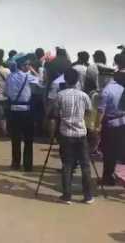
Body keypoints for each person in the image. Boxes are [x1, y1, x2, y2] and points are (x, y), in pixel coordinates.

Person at [55, 68, 94, 205]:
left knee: (67, 165)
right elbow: (89, 112)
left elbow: (54, 113)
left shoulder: (60, 95)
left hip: (66, 133)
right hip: (81, 133)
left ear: (65, 80)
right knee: (85, 165)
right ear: (77, 80)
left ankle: (67, 196)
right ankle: (88, 196)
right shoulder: (84, 96)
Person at [97, 52, 125, 186]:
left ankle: (108, 177)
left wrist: (97, 126)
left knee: (108, 153)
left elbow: (101, 111)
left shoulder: (106, 90)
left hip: (110, 124)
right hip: (123, 122)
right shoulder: (121, 87)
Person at [5, 55, 34, 172]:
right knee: (28, 139)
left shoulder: (10, 76)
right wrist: (33, 71)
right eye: (28, 64)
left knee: (15, 138)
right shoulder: (29, 77)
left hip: (13, 109)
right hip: (26, 110)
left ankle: (16, 163)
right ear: (23, 65)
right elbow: (42, 82)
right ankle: (27, 165)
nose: (29, 66)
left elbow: (6, 92)